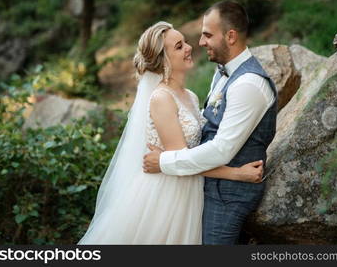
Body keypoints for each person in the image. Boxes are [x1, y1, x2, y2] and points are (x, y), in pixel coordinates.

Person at [78, 21, 264, 245]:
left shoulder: (190, 96)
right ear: (163, 60)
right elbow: (181, 159)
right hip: (167, 195)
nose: (188, 47)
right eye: (178, 46)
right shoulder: (162, 98)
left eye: (184, 41)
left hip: (189, 189)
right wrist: (237, 173)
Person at [143, 0, 278, 245]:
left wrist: (163, 161)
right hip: (202, 187)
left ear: (231, 36)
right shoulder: (221, 72)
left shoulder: (248, 84)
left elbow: (221, 149)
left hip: (228, 197)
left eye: (207, 35)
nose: (200, 43)